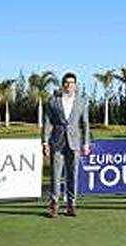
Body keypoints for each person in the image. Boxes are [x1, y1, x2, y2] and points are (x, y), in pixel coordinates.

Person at [42, 72, 91, 218]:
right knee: (55, 176)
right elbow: (48, 123)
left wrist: (86, 143)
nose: (69, 85)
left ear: (75, 85)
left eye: (72, 83)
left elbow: (85, 124)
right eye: (67, 83)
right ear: (63, 85)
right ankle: (54, 206)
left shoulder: (82, 102)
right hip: (57, 143)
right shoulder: (53, 101)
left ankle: (71, 205)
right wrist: (45, 142)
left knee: (73, 175)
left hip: (75, 144)